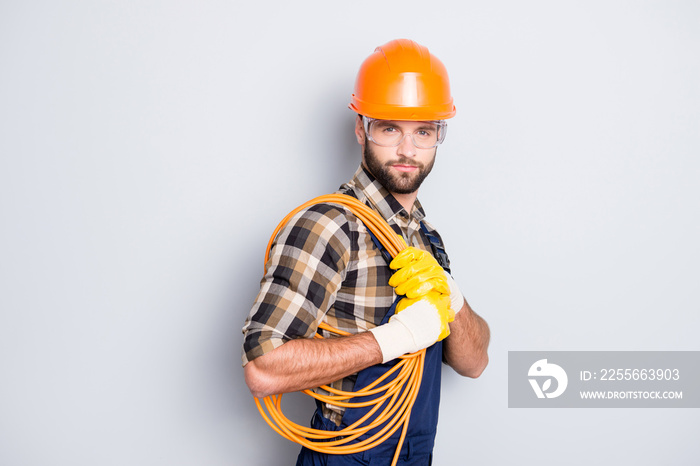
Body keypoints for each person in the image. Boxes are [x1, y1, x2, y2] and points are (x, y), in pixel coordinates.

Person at [242, 39, 490, 465]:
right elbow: (264, 369)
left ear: (438, 136)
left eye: (423, 131)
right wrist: (396, 338)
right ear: (361, 128)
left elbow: (475, 362)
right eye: (390, 128)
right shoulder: (330, 225)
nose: (408, 150)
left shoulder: (427, 239)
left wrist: (453, 298)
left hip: (414, 454)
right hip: (348, 455)